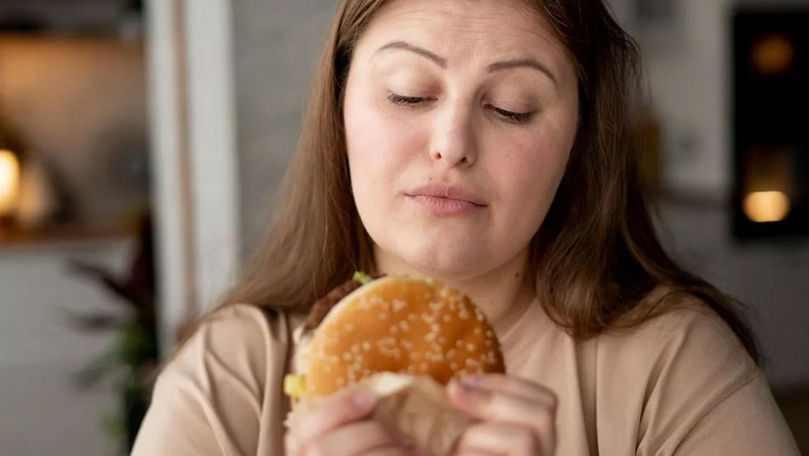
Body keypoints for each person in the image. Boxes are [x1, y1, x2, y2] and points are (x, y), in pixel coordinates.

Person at [131, 0, 800, 454]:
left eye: (511, 107)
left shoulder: (672, 367)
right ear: (339, 108)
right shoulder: (232, 376)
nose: (451, 144)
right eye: (409, 93)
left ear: (579, 138)